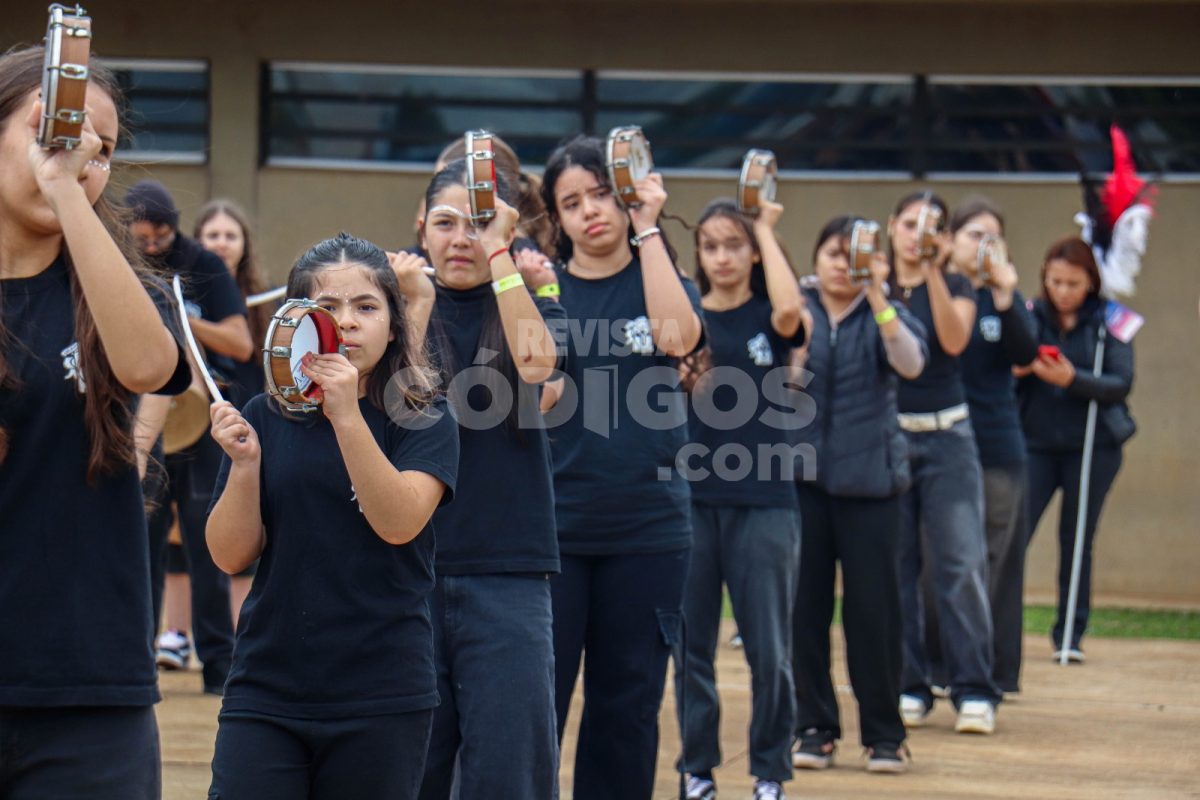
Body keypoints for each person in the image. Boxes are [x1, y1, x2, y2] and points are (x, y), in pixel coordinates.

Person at [205, 233, 459, 799]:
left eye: (366, 307)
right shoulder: (263, 415)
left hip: (383, 693)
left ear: (395, 324)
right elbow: (229, 555)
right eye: (326, 308)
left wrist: (345, 414)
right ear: (294, 322)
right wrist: (245, 467)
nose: (345, 323)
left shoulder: (423, 416)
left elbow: (397, 522)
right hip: (266, 687)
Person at [0, 47, 189, 798]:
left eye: (101, 150)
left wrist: (65, 190)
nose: (79, 157)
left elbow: (151, 368)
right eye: (56, 132)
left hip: (89, 689)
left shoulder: (114, 292)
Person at [540, 134, 704, 800]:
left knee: (628, 709)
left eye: (602, 193)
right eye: (571, 202)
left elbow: (679, 341)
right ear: (557, 217)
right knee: (534, 709)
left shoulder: (658, 275)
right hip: (552, 531)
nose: (590, 212)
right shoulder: (539, 289)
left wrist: (648, 227)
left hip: (647, 529)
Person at [404, 162, 563, 799]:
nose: (460, 238)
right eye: (444, 223)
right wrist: (409, 301)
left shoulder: (532, 300)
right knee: (411, 769)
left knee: (510, 771)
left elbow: (538, 373)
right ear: (421, 229)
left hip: (509, 570)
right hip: (410, 568)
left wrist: (505, 257)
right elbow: (397, 402)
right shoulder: (392, 306)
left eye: (478, 224)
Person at [674, 198, 806, 800]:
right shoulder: (685, 318)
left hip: (765, 501)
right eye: (711, 246)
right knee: (691, 646)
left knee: (769, 648)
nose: (723, 257)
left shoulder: (767, 317)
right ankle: (697, 767)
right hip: (692, 501)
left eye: (735, 244)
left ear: (753, 252)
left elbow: (788, 308)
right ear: (698, 255)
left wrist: (768, 228)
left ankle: (770, 771)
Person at [790, 215, 925, 776]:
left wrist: (879, 297)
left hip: (873, 485)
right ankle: (814, 727)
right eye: (833, 254)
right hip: (803, 482)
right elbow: (780, 386)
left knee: (875, 614)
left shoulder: (886, 311)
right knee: (804, 611)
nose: (844, 264)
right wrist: (793, 339)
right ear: (815, 262)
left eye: (856, 256)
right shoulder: (793, 309)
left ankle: (884, 734)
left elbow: (912, 364)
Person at [125, 179, 250, 694]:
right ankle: (137, 660)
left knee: (206, 542)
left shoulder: (202, 264)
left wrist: (178, 322)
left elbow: (241, 342)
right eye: (143, 239)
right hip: (147, 419)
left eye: (161, 237)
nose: (152, 247)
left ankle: (219, 666)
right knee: (144, 541)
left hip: (202, 421)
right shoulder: (120, 260)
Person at [889, 191, 1001, 734]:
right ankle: (910, 683)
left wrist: (933, 269)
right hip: (888, 438)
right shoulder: (874, 285)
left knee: (960, 565)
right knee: (898, 568)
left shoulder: (955, 283)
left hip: (947, 435)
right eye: (908, 224)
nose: (916, 234)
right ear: (891, 228)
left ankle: (975, 688)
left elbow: (952, 341)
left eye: (928, 226)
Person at [1018, 237, 1135, 663]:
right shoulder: (1028, 315)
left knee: (1077, 537)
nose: (1063, 291)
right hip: (1035, 445)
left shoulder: (1112, 320)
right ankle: (1001, 628)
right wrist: (1021, 368)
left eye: (1073, 283)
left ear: (1090, 282)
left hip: (1092, 445)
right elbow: (1005, 372)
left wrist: (1073, 380)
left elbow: (1121, 383)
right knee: (1015, 534)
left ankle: (1070, 633)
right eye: (1055, 282)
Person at [946, 196, 1039, 693]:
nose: (983, 246)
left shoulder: (1004, 297)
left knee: (999, 561)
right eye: (973, 235)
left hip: (998, 446)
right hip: (941, 446)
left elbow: (1027, 353)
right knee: (943, 560)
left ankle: (999, 671)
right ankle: (940, 668)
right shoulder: (939, 293)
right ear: (950, 240)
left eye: (992, 237)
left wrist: (1006, 295)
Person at [195, 198, 274, 625]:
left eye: (230, 235)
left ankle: (243, 628)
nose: (221, 244)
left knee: (247, 523)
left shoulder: (262, 300)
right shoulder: (186, 292)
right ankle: (178, 631)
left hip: (247, 422)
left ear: (244, 243)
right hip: (194, 426)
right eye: (212, 236)